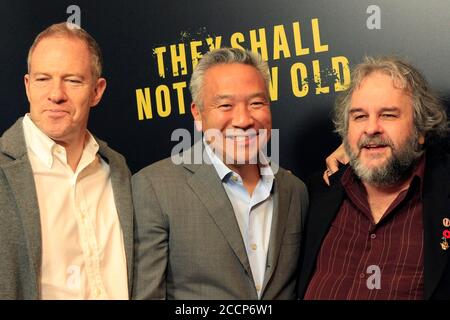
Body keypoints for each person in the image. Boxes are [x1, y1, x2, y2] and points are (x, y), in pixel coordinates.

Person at [132, 48, 308, 299]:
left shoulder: (295, 190)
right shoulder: (154, 187)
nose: (243, 120)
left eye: (256, 103)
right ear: (198, 114)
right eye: (225, 105)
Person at [298, 56, 450, 300]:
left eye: (388, 115)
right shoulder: (315, 195)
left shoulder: (442, 197)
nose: (371, 129)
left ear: (421, 130)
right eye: (359, 117)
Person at [0, 23, 133, 299]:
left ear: (97, 91)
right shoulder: (5, 169)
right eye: (43, 79)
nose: (56, 94)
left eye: (72, 80)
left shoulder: (117, 169)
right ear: (27, 86)